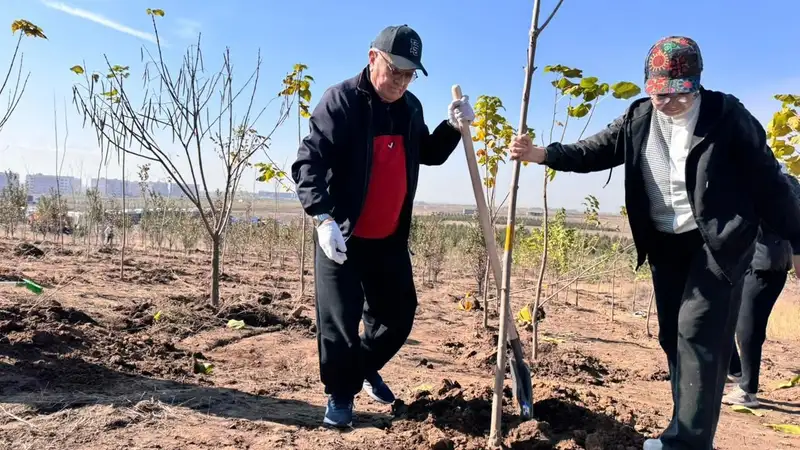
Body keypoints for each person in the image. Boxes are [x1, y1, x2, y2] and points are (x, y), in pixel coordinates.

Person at [507, 36, 800, 450]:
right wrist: (542, 155)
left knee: (698, 331)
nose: (667, 103)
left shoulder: (727, 116)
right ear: (648, 86)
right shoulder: (639, 117)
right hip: (665, 243)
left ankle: (688, 441)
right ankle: (689, 428)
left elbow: (770, 183)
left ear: (696, 85)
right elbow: (594, 151)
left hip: (716, 244)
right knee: (672, 337)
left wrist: (797, 241)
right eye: (658, 93)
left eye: (679, 95)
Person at [291, 24, 474, 428]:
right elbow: (309, 164)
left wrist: (453, 127)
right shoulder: (339, 102)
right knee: (339, 322)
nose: (402, 82)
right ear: (374, 58)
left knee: (398, 315)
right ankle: (341, 396)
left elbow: (428, 153)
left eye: (410, 75)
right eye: (396, 71)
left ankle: (360, 367)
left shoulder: (411, 108)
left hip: (389, 238)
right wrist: (322, 217)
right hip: (342, 235)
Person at [723, 171, 800, 408]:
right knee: (727, 319)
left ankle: (748, 390)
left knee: (748, 327)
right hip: (747, 262)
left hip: (766, 265)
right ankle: (736, 370)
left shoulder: (779, 183)